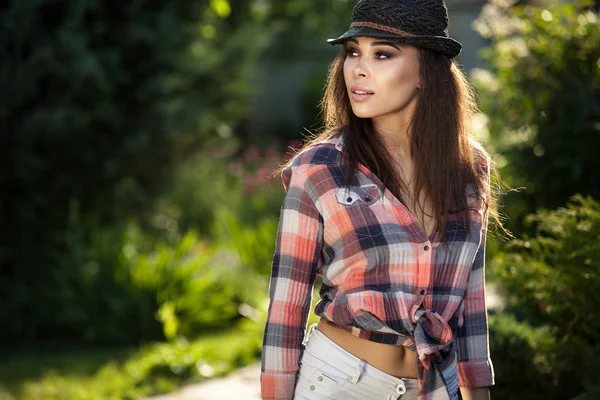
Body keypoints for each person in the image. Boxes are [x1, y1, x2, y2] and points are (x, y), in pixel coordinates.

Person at [261, 0, 500, 399]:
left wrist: (479, 391)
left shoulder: (470, 167)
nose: (358, 68)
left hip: (438, 386)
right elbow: (286, 310)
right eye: (353, 52)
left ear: (427, 70)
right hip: (340, 383)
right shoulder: (318, 169)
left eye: (382, 54)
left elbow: (470, 299)